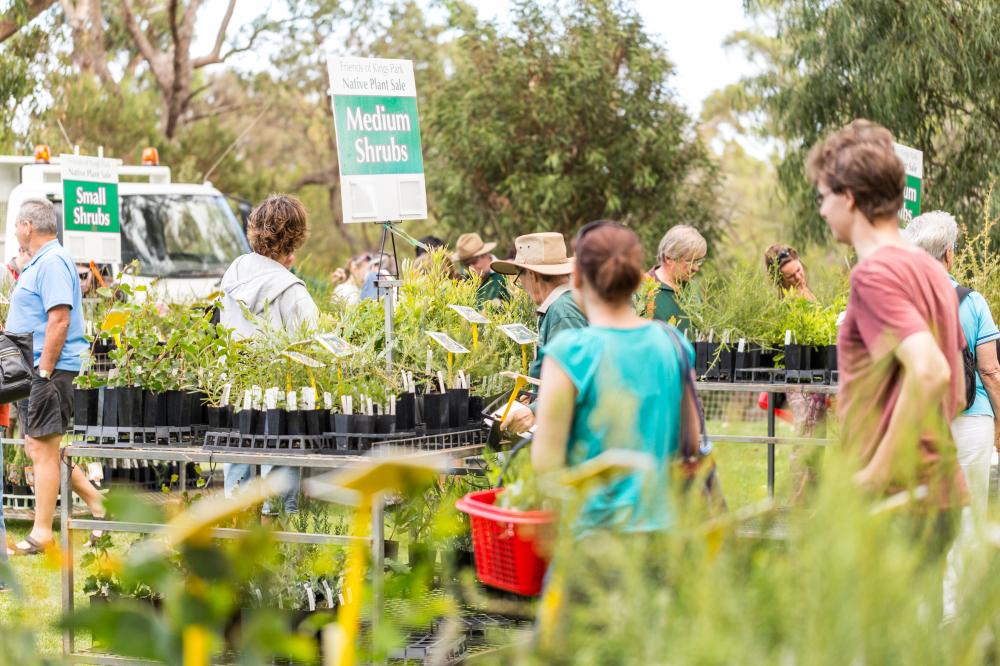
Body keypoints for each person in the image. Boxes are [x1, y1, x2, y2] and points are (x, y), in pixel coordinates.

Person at [807, 120, 966, 511]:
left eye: (823, 195)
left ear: (849, 197)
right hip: (939, 492)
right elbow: (958, 394)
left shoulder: (874, 273)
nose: (822, 210)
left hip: (894, 499)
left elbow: (931, 371)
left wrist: (875, 474)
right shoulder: (933, 270)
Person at [531, 222, 693, 533]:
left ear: (576, 277)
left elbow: (545, 463)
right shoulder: (673, 343)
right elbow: (690, 440)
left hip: (593, 535)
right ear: (636, 280)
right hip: (663, 530)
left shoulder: (569, 352)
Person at [5, 199, 105, 555]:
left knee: (43, 451)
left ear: (28, 226)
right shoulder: (42, 262)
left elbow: (59, 319)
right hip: (36, 368)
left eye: (17, 225)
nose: (16, 231)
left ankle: (42, 533)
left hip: (50, 369)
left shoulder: (52, 262)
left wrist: (44, 370)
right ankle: (97, 505)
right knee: (41, 446)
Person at [220, 194, 320, 517]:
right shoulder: (292, 292)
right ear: (295, 239)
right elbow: (312, 346)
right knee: (278, 492)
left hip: (235, 392)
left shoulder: (233, 274)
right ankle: (280, 562)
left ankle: (238, 560)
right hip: (280, 401)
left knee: (238, 487)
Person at [903, 211, 1000, 516]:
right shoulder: (972, 302)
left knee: (926, 516)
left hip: (921, 419)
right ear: (948, 254)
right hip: (972, 417)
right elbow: (989, 370)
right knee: (969, 513)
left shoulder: (903, 302)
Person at [647, 225, 706, 333]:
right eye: (690, 261)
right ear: (668, 258)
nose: (696, 268)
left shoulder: (693, 287)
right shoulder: (643, 289)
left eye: (698, 261)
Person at [453, 233, 510, 305]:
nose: (470, 268)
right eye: (466, 263)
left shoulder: (507, 274)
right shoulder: (465, 280)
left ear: (485, 254)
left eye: (473, 261)